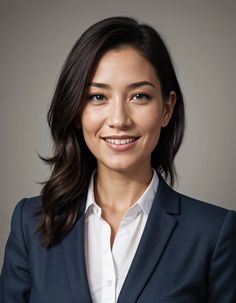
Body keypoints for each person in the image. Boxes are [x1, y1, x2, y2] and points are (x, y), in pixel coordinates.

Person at [0, 16, 235, 303]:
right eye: (98, 97)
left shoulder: (213, 233)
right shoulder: (30, 223)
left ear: (166, 108)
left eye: (139, 96)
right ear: (76, 111)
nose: (119, 120)